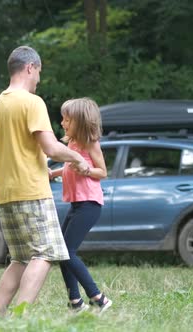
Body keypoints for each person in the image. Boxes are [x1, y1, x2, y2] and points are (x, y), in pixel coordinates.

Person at [0, 45, 90, 317]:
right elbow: (52, 147)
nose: (39, 79)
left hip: (5, 194)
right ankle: (20, 317)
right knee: (44, 255)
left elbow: (7, 148)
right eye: (39, 72)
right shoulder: (32, 102)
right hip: (31, 191)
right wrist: (78, 160)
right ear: (30, 67)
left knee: (20, 259)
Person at [48, 98, 113, 314]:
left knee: (67, 251)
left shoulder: (90, 143)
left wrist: (86, 169)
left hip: (90, 204)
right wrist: (53, 173)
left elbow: (102, 172)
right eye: (63, 118)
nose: (63, 123)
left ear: (82, 122)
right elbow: (69, 168)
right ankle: (75, 302)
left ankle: (99, 298)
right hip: (77, 204)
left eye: (68, 119)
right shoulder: (72, 143)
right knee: (62, 252)